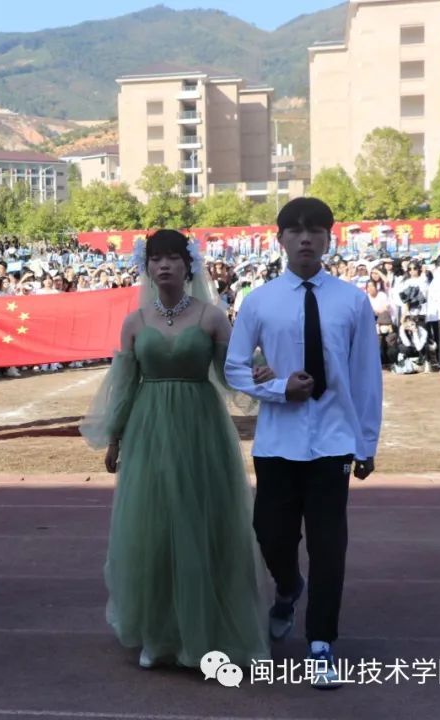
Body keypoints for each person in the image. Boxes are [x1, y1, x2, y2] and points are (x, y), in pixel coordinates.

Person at [80, 229, 272, 672]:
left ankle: (206, 630)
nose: (163, 265)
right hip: (149, 429)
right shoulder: (135, 322)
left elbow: (233, 372)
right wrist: (115, 437)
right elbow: (124, 385)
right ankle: (158, 633)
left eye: (172, 257)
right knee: (153, 529)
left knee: (203, 525)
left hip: (200, 429)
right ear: (146, 266)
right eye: (156, 258)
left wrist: (262, 372)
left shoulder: (211, 317)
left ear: (189, 265)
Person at [225, 197, 383, 689]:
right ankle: (289, 587)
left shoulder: (351, 301)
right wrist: (277, 388)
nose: (306, 239)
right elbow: (234, 367)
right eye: (295, 231)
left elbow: (366, 376)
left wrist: (366, 443)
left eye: (315, 230)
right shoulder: (260, 301)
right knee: (270, 534)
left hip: (334, 441)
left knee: (329, 544)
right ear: (280, 240)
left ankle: (321, 643)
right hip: (278, 440)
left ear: (330, 238)